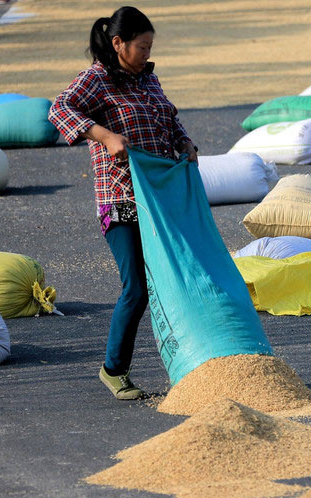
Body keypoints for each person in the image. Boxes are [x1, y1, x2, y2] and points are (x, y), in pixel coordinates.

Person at [49, 6, 197, 400]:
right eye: (141, 46)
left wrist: (184, 142)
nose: (147, 53)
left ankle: (195, 366)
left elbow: (169, 118)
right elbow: (59, 108)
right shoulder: (96, 78)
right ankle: (113, 369)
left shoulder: (149, 80)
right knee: (136, 289)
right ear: (118, 44)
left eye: (150, 46)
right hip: (120, 200)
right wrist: (103, 135)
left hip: (161, 198)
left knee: (177, 281)